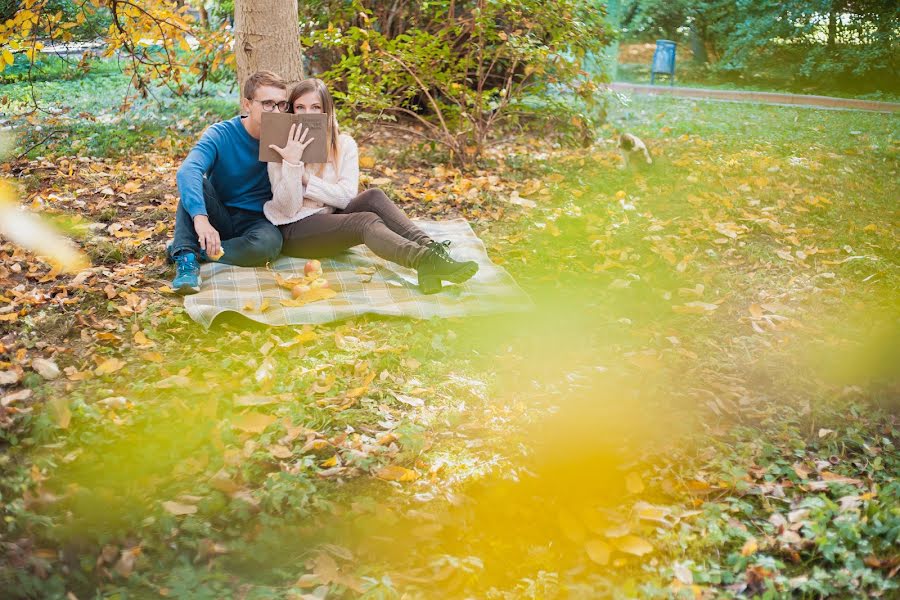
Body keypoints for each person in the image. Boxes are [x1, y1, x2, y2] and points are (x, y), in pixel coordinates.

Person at [264, 78, 478, 295]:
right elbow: (288, 209)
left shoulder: (344, 144)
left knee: (373, 196)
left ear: (327, 111)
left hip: (329, 216)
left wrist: (307, 180)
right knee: (364, 222)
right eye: (300, 107)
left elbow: (347, 197)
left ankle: (434, 253)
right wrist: (291, 163)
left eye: (315, 107)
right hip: (295, 230)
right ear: (292, 111)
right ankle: (422, 260)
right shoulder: (280, 146)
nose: (307, 114)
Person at [169, 70, 288, 294]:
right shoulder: (221, 133)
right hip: (219, 213)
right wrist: (201, 220)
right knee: (195, 184)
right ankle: (186, 262)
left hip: (258, 219)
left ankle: (191, 248)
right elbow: (188, 170)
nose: (276, 111)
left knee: (269, 245)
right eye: (268, 104)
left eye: (282, 105)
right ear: (247, 105)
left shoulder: (288, 136)